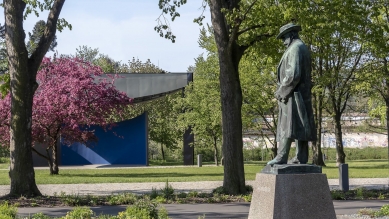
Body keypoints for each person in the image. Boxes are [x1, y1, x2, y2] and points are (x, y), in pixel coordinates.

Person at [267, 23, 317, 165]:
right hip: (299, 94)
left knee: (287, 126)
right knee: (300, 126)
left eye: (284, 37)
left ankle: (282, 156)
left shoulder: (295, 48)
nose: (283, 41)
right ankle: (301, 158)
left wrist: (282, 91)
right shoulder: (301, 47)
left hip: (293, 94)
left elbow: (293, 74)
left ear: (292, 35)